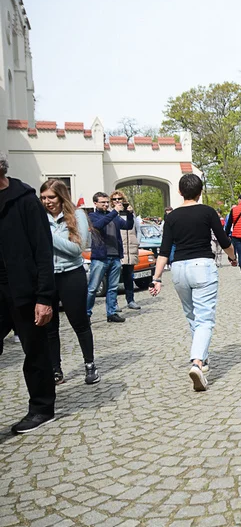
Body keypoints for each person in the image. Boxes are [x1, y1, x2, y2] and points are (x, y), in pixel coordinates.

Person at [149, 174, 237, 391]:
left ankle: (203, 359)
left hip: (179, 269)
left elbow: (164, 250)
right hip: (202, 267)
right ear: (200, 192)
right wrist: (233, 258)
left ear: (180, 192)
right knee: (205, 318)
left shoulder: (171, 217)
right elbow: (223, 240)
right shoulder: (207, 212)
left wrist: (157, 278)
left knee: (192, 315)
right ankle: (197, 362)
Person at [0, 152, 57, 434]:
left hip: (24, 290)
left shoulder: (25, 200)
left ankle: (42, 408)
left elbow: (43, 251)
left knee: (35, 351)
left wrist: (44, 298)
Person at [40, 180, 99, 385]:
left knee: (79, 322)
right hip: (46, 276)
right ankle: (55, 369)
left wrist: (46, 236)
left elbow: (76, 249)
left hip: (71, 275)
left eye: (51, 197)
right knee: (49, 326)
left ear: (61, 197)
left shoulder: (77, 216)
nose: (47, 202)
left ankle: (90, 365)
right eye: (44, 198)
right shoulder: (39, 217)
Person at [87, 192, 133, 322]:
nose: (106, 204)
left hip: (115, 256)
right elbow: (98, 225)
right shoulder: (92, 216)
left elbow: (128, 226)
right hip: (100, 258)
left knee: (112, 288)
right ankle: (86, 314)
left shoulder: (113, 216)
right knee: (92, 288)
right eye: (103, 202)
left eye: (107, 202)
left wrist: (129, 214)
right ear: (95, 203)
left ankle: (111, 313)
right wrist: (114, 212)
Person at [110, 190, 142, 311]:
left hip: (131, 248)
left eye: (120, 199)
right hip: (118, 248)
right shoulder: (111, 214)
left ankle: (130, 300)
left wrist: (137, 242)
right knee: (115, 277)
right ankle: (114, 303)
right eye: (115, 199)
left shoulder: (130, 213)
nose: (118, 201)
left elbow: (137, 229)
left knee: (129, 276)